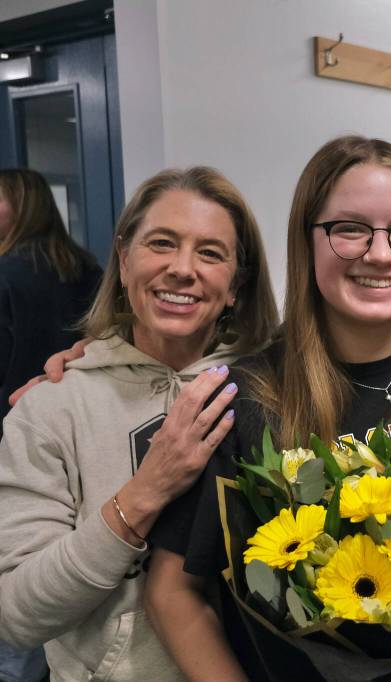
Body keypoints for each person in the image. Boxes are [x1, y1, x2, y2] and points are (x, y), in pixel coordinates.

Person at [143, 136, 391, 678]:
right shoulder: (245, 396)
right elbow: (172, 591)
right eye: (349, 229)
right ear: (307, 241)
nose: (380, 254)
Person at [0, 167, 279, 681]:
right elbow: (16, 615)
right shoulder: (51, 409)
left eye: (211, 253)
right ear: (124, 261)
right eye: (162, 243)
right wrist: (147, 490)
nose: (182, 269)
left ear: (236, 285)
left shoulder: (274, 388)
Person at [0, 169, 102, 434]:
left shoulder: (5, 272)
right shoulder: (89, 268)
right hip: (79, 411)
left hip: (13, 415)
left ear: (23, 208)